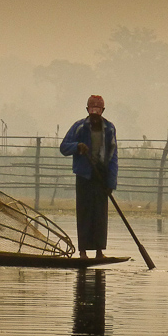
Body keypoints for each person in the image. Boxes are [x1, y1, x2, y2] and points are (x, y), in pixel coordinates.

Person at [59, 95, 118, 260]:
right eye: (92, 112)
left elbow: (113, 157)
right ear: (87, 111)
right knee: (84, 213)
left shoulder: (109, 129)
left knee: (100, 214)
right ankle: (83, 252)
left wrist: (111, 182)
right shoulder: (79, 127)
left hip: (101, 177)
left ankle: (99, 252)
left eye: (97, 113)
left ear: (103, 112)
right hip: (84, 175)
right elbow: (63, 147)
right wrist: (77, 147)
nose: (94, 116)